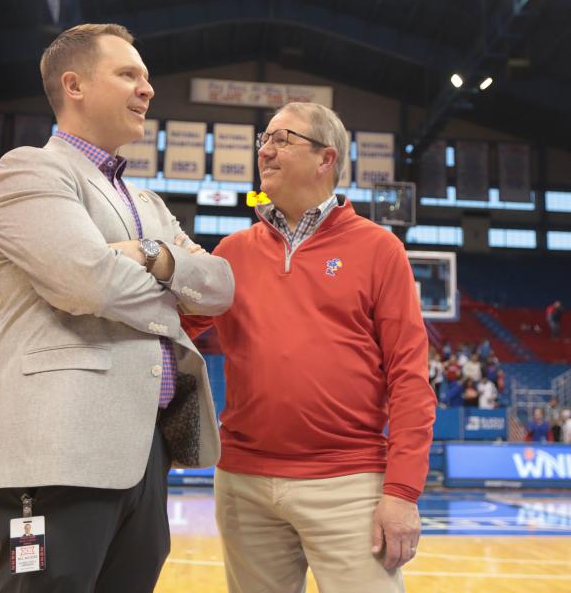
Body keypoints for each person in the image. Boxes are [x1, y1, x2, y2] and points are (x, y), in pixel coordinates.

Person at [0, 23, 234, 591]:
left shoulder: (149, 203)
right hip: (57, 451)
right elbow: (89, 284)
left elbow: (222, 285)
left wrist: (148, 252)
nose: (147, 89)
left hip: (144, 453)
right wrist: (172, 292)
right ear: (74, 85)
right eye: (129, 74)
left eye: (147, 77)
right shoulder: (28, 169)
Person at [183, 102, 436, 592]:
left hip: (349, 483)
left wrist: (402, 491)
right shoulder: (231, 252)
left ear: (326, 158)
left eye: (283, 139)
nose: (266, 150)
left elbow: (409, 378)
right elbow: (171, 329)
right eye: (264, 139)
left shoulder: (380, 250)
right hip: (245, 483)